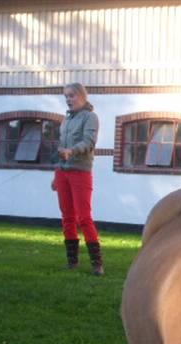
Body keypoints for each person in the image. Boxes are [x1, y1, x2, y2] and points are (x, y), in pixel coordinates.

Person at [51, 82, 104, 276]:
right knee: (67, 217)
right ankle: (72, 261)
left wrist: (71, 151)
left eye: (72, 96)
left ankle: (97, 263)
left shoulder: (90, 117)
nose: (68, 99)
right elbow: (61, 147)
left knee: (84, 217)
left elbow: (89, 142)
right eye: (66, 96)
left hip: (80, 172)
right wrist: (55, 175)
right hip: (62, 172)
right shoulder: (66, 120)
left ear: (82, 96)